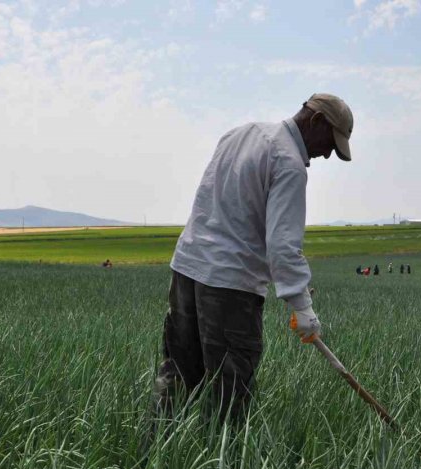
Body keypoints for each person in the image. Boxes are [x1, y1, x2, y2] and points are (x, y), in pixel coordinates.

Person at [147, 93, 354, 442]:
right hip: (229, 287)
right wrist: (302, 307)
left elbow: (235, 215)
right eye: (330, 144)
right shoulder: (289, 163)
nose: (326, 154)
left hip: (187, 268)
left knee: (177, 376)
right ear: (316, 122)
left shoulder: (239, 135)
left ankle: (155, 458)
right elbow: (283, 245)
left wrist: (288, 285)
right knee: (230, 390)